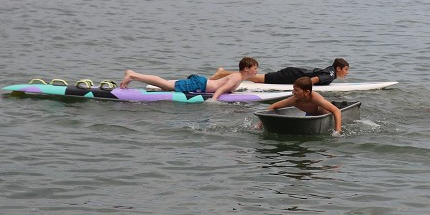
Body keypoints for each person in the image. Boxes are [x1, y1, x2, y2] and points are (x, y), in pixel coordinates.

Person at [119, 57, 260, 101]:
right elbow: (222, 88)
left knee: (166, 85)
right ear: (246, 68)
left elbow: (224, 88)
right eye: (255, 67)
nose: (256, 70)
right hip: (199, 84)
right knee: (166, 85)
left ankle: (134, 75)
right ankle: (132, 75)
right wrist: (213, 101)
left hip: (200, 83)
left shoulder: (239, 77)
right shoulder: (237, 77)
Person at [268, 77, 343, 134]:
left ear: (307, 92)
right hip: (310, 116)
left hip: (325, 115)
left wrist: (337, 131)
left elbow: (336, 111)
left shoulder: (315, 98)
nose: (293, 92)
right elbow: (272, 107)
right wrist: (260, 124)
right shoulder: (294, 100)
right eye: (293, 89)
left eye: (296, 90)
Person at [211, 58, 350, 86]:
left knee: (257, 78)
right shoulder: (330, 75)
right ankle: (222, 73)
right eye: (346, 70)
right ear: (338, 68)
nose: (347, 73)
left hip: (293, 73)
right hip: (291, 76)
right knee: (257, 78)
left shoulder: (330, 72)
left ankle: (223, 73)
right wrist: (300, 89)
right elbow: (314, 80)